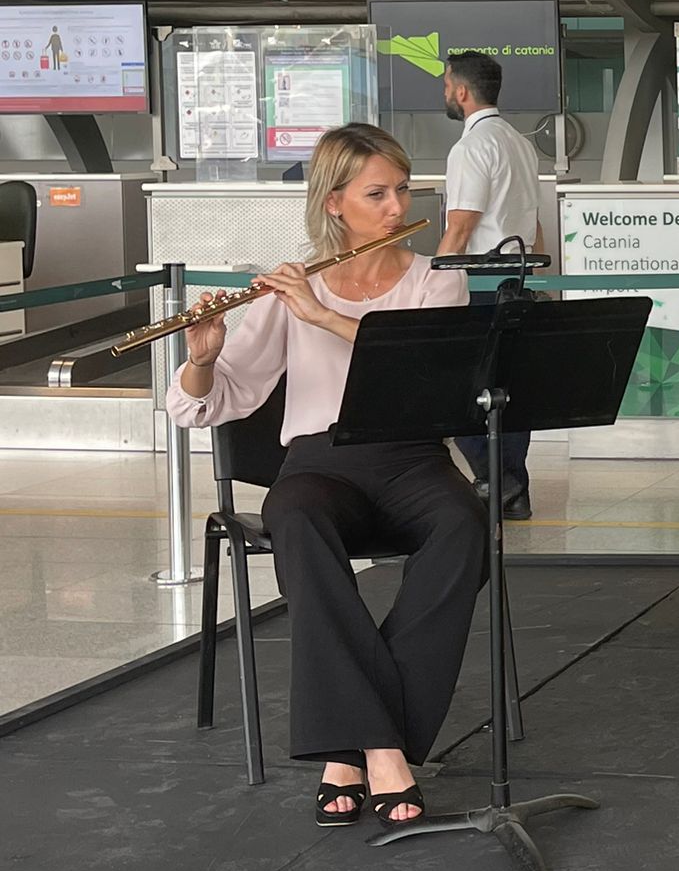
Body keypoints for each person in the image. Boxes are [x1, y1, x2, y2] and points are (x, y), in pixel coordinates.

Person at [167, 124, 483, 828]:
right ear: (336, 202)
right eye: (379, 193)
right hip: (320, 463)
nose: (398, 206)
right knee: (296, 517)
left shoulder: (439, 282)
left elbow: (423, 375)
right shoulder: (293, 284)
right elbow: (210, 402)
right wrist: (204, 354)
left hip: (411, 457)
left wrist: (325, 315)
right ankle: (385, 748)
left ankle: (353, 748)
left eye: (403, 189)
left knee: (464, 526)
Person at [438, 50, 546, 519]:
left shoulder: (471, 148)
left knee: (459, 386)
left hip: (481, 283)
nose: (445, 92)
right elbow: (535, 220)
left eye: (446, 84)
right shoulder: (520, 143)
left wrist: (433, 281)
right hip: (520, 280)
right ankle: (513, 489)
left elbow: (461, 225)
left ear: (462, 91)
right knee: (507, 390)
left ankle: (494, 480)